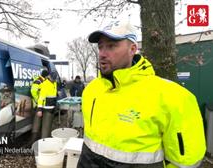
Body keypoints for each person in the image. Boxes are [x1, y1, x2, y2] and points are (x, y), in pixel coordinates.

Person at [78, 21, 206, 168]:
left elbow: (187, 162)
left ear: (132, 49)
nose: (102, 54)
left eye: (111, 46)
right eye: (100, 46)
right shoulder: (91, 90)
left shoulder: (173, 97)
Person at [31, 71, 58, 139]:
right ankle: (36, 142)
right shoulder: (45, 84)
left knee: (45, 127)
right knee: (39, 127)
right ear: (49, 76)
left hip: (50, 108)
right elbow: (40, 97)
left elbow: (53, 94)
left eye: (54, 79)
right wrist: (39, 108)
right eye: (52, 78)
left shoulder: (54, 83)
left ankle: (41, 141)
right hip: (43, 107)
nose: (53, 80)